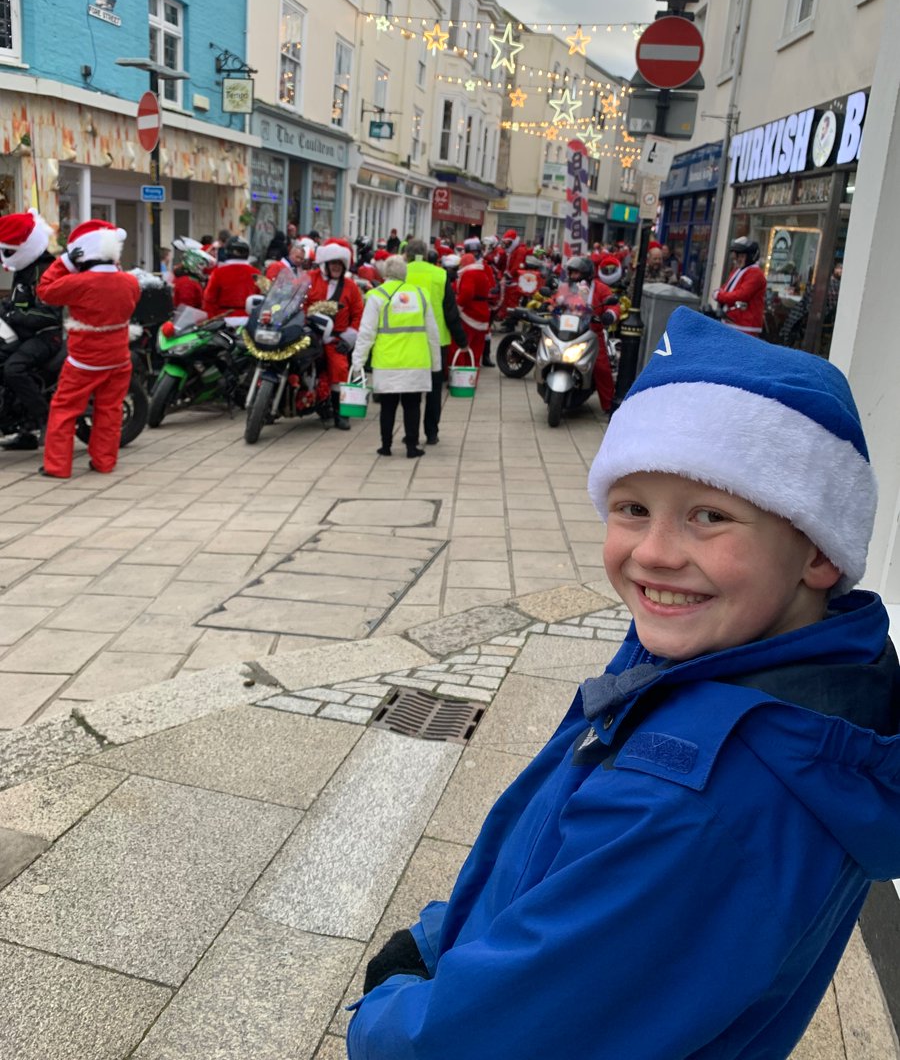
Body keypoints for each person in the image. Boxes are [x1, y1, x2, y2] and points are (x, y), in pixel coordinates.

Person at [348, 306, 900, 1060]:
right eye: (632, 509)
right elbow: (554, 854)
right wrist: (442, 933)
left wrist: (385, 1011)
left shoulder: (690, 803)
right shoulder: (724, 660)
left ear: (818, 552)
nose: (655, 553)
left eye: (709, 515)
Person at [37, 218, 142, 478]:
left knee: (64, 409)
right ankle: (104, 462)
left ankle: (57, 466)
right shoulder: (130, 282)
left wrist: (65, 262)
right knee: (110, 410)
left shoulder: (80, 283)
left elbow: (45, 290)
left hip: (85, 359)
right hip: (119, 357)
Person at [351, 255, 440, 458]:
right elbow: (433, 333)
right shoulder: (420, 294)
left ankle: (386, 446)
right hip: (416, 361)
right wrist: (436, 365)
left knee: (388, 406)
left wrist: (358, 362)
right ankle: (411, 447)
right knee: (412, 405)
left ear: (385, 273)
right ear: (405, 273)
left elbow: (366, 333)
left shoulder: (376, 295)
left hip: (387, 361)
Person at [0, 210, 63, 450]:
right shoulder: (23, 266)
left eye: (8, 250)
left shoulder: (46, 271)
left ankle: (45, 419)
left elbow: (49, 312)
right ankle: (23, 430)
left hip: (46, 335)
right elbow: (17, 302)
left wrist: (14, 314)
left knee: (13, 370)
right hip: (22, 333)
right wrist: (5, 308)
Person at [404, 238, 468, 446]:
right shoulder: (440, 275)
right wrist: (461, 340)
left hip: (408, 338)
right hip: (437, 341)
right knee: (433, 390)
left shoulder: (402, 273)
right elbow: (451, 313)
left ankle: (410, 432)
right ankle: (431, 432)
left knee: (411, 390)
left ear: (407, 254)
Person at [305, 237, 364, 431]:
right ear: (325, 264)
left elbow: (358, 315)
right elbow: (296, 300)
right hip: (307, 334)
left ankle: (340, 413)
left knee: (339, 368)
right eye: (333, 263)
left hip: (335, 338)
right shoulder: (310, 279)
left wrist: (349, 338)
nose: (336, 267)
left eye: (340, 263)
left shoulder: (350, 287)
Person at [556, 256, 618, 413]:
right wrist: (549, 305)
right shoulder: (565, 287)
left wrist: (610, 314)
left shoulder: (601, 288)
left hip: (591, 333)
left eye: (576, 273)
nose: (572, 276)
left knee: (602, 368)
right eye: (570, 272)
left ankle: (610, 405)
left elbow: (614, 305)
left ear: (587, 274)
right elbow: (554, 301)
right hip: (565, 331)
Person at [451, 239, 495, 370]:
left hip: (469, 315)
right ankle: (472, 379)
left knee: (462, 347)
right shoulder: (483, 270)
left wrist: (457, 308)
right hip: (483, 313)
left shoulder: (469, 273)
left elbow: (467, 294)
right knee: (476, 352)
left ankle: (461, 378)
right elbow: (491, 287)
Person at [714, 237, 766, 333]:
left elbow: (741, 295)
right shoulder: (739, 270)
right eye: (738, 256)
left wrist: (718, 295)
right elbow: (726, 288)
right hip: (732, 321)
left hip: (745, 325)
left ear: (750, 257)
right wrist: (719, 293)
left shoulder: (755, 273)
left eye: (742, 256)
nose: (737, 259)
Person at [202, 235, 258, 319]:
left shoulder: (218, 272)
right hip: (248, 318)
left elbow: (209, 299)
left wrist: (210, 319)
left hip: (223, 318)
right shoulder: (256, 273)